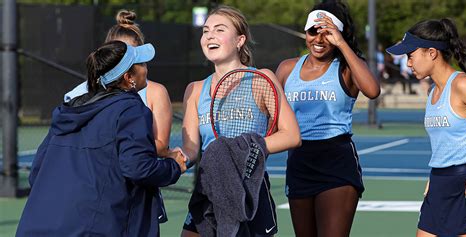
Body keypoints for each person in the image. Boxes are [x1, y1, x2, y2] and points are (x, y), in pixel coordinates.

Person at [16, 41, 187, 237]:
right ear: (128, 78)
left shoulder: (69, 110)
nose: (146, 69)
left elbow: (36, 172)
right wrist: (173, 166)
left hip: (38, 226)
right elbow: (138, 168)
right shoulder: (131, 109)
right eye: (142, 64)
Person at [180, 5, 301, 237]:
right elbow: (191, 150)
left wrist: (245, 149)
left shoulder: (262, 78)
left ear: (239, 40)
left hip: (250, 188)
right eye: (206, 31)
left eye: (219, 29)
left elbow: (292, 135)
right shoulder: (194, 90)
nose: (210, 36)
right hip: (209, 188)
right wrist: (172, 159)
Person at [275, 1, 380, 236]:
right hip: (299, 162)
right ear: (306, 32)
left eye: (328, 34)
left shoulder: (346, 68)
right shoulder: (286, 68)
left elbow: (372, 90)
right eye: (313, 32)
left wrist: (341, 44)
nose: (319, 40)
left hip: (337, 162)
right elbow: (273, 117)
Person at [386, 18, 466, 237]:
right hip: (438, 184)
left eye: (410, 55)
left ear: (432, 53)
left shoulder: (463, 85)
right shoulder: (432, 92)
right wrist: (435, 177)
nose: (408, 63)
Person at [64, 9, 173, 156]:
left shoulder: (155, 92)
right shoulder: (79, 94)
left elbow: (160, 146)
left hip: (136, 173)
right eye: (122, 56)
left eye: (135, 57)